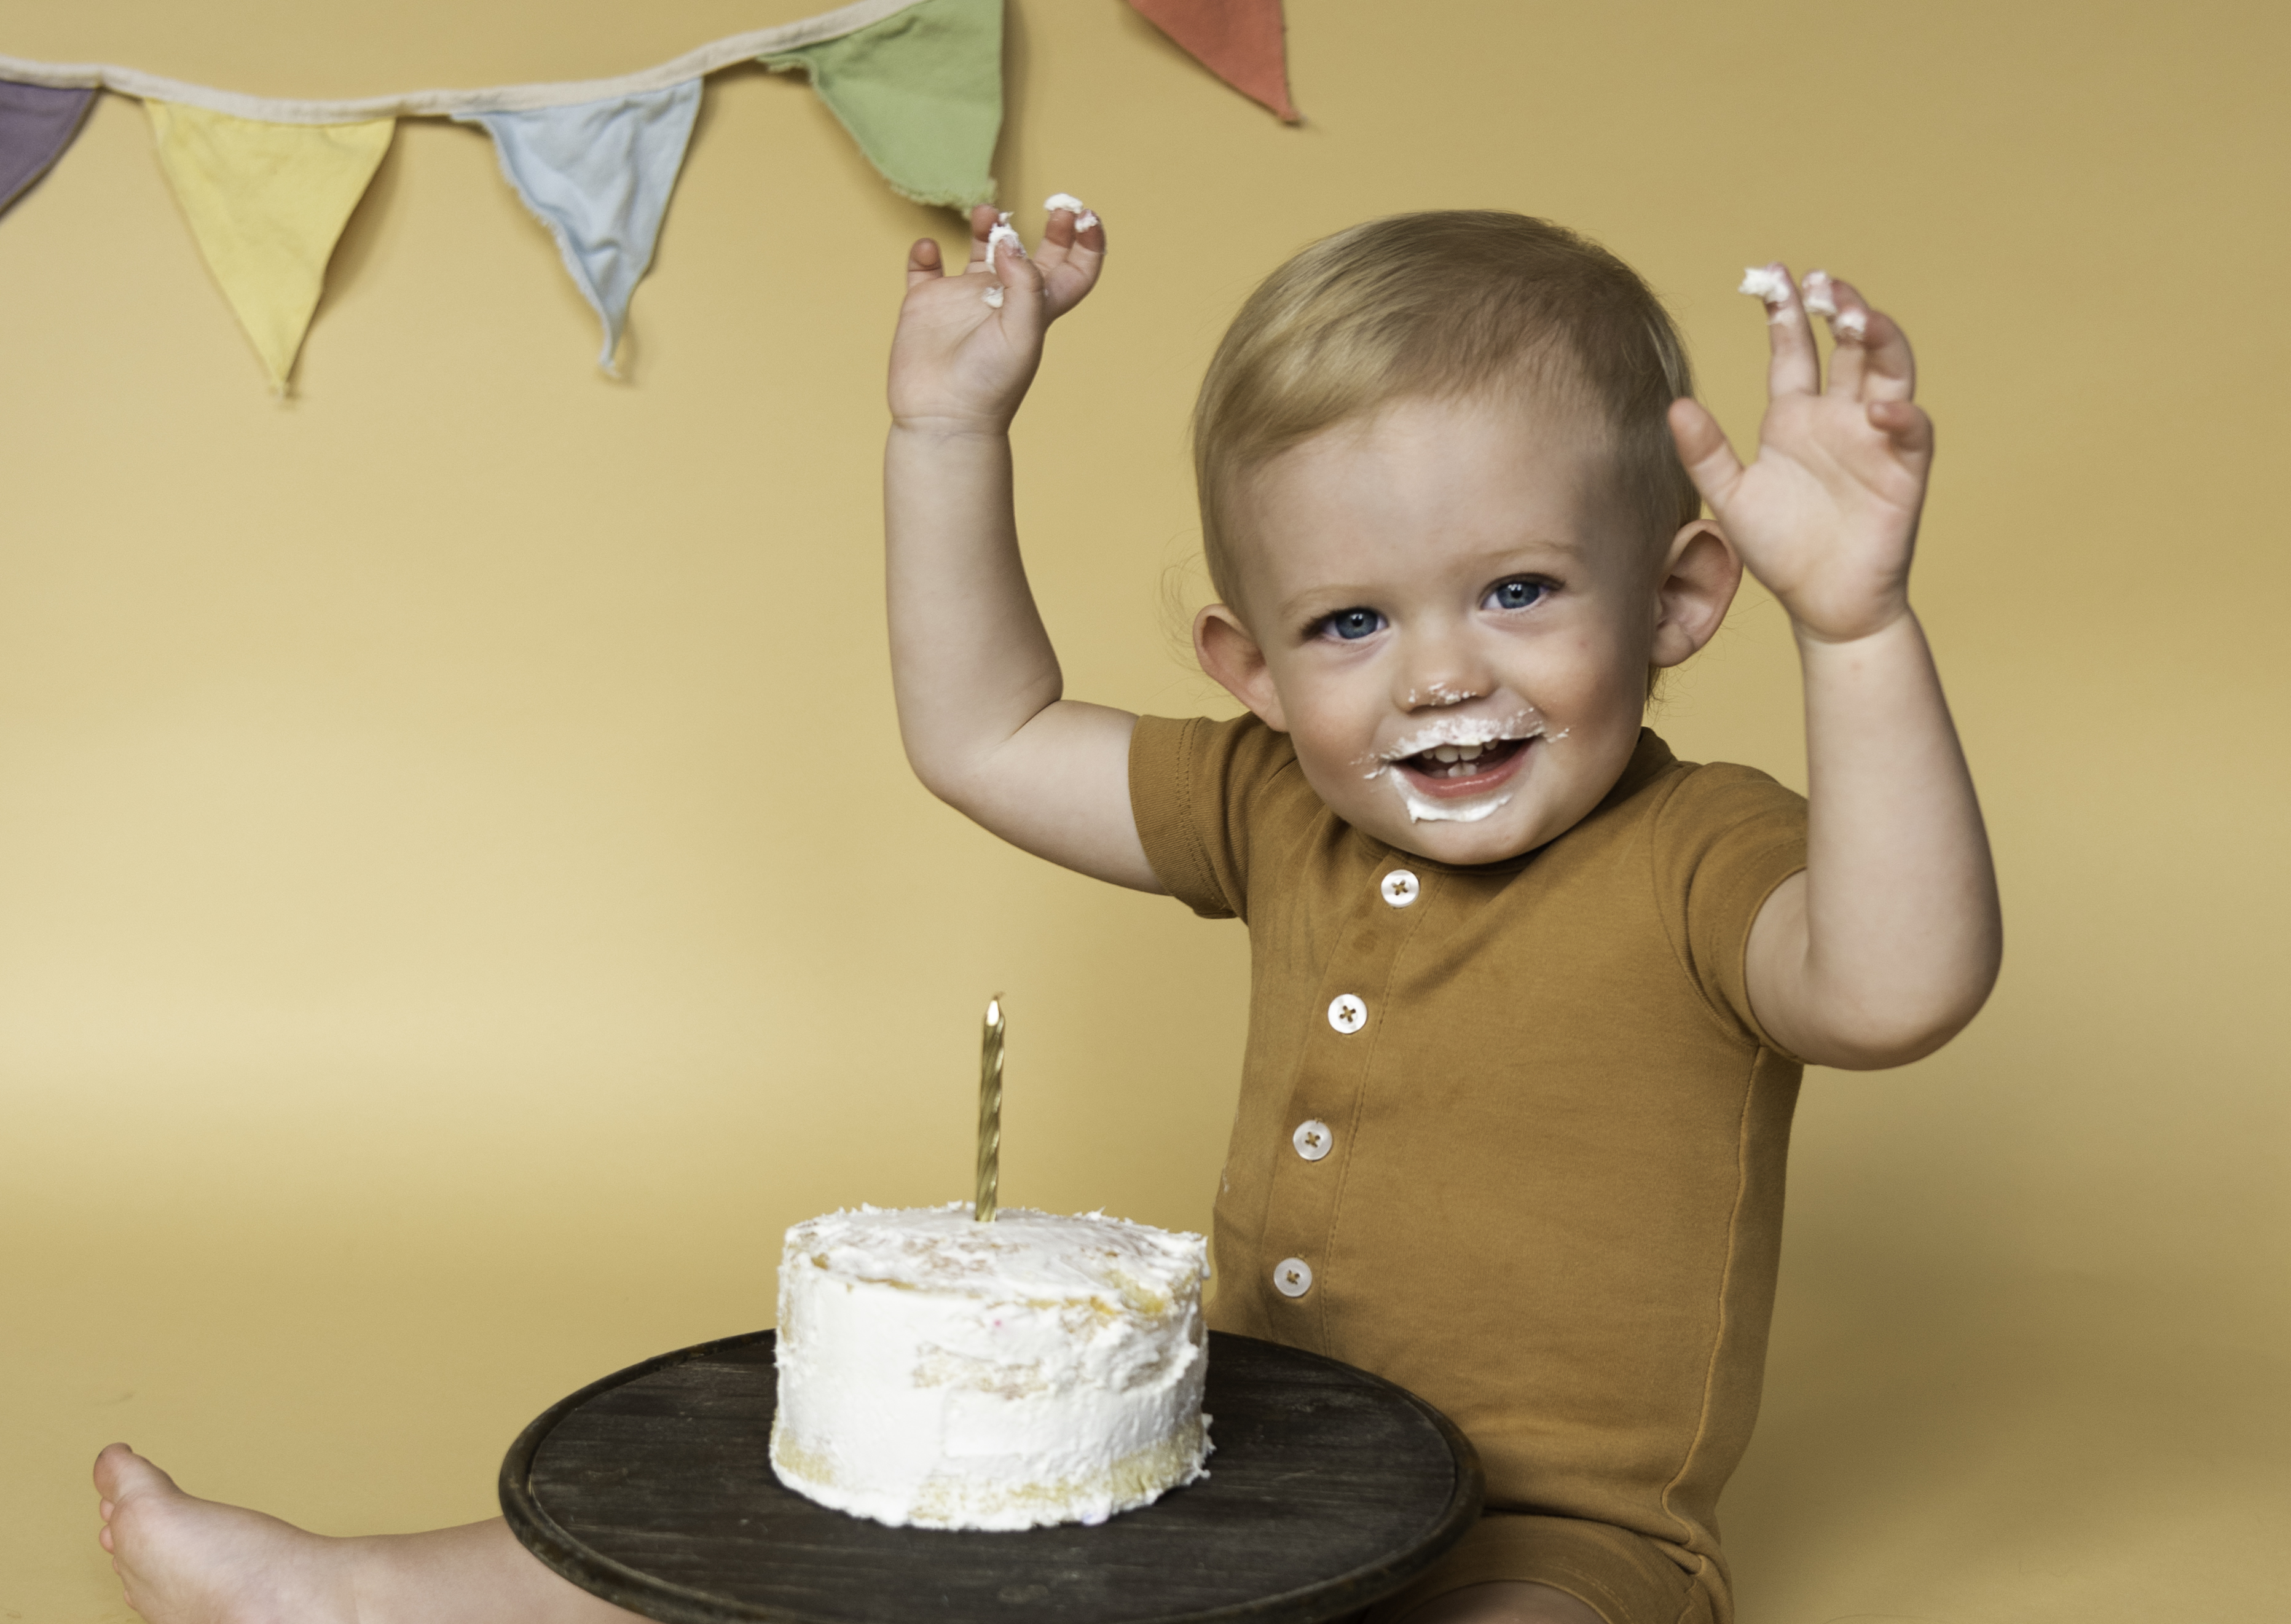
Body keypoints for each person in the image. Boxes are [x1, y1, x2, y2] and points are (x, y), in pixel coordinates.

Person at [93, 200, 1998, 1624]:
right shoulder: (1276, 807)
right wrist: (949, 441)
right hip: (1224, 1457)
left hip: (1549, 1537)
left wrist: (1860, 622)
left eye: (1515, 591)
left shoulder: (1706, 857)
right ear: (1249, 662)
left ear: (1676, 601)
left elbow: (1903, 979)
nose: (1435, 675)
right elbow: (987, 731)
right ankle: (353, 1597)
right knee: (819, 1518)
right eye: (1351, 621)